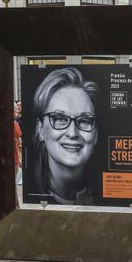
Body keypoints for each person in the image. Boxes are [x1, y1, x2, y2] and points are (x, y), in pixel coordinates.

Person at [30, 67, 99, 205]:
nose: (72, 133)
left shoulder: (104, 198)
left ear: (96, 134)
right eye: (60, 118)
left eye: (85, 120)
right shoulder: (32, 195)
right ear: (40, 129)